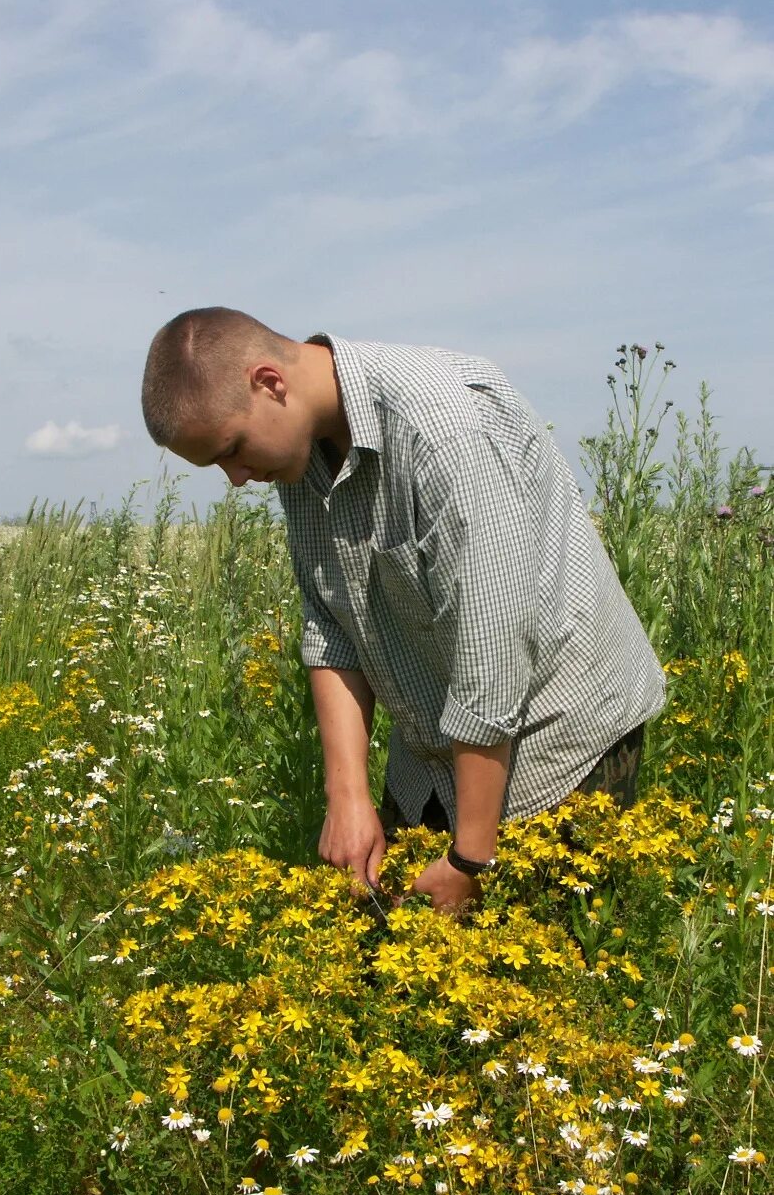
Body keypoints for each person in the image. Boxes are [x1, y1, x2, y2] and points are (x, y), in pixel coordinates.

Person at [141, 307, 665, 915]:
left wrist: (471, 858)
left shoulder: (444, 429)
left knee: (541, 975)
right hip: (440, 743)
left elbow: (489, 654)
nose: (235, 478)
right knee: (402, 959)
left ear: (269, 382)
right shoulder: (299, 454)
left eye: (232, 448)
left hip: (559, 744)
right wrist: (349, 799)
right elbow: (330, 624)